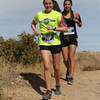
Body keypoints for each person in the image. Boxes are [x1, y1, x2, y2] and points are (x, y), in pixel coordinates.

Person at [31, 0, 68, 99]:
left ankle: (57, 85)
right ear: (43, 4)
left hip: (55, 43)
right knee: (47, 66)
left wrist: (54, 28)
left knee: (56, 67)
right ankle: (48, 91)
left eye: (49, 3)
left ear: (52, 4)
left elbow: (65, 28)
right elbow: (33, 24)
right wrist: (35, 31)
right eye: (46, 3)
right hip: (44, 43)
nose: (48, 5)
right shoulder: (39, 14)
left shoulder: (57, 15)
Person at [60, 0, 82, 85]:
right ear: (63, 5)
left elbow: (80, 25)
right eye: (65, 4)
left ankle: (71, 76)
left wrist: (77, 22)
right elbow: (58, 25)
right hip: (63, 37)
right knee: (65, 59)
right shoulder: (60, 15)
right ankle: (69, 70)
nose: (67, 6)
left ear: (71, 5)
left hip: (72, 37)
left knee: (71, 57)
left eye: (68, 4)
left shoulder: (76, 14)